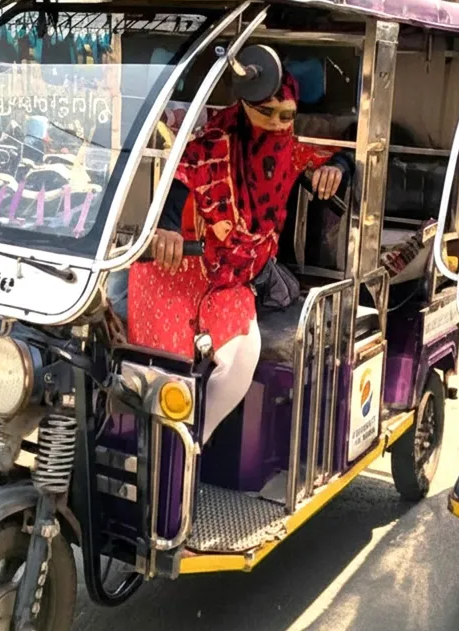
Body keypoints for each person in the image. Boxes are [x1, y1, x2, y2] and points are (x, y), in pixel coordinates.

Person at [115, 72, 349, 443]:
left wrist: (337, 169)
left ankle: (192, 445)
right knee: (159, 375)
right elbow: (181, 178)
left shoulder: (290, 151)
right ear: (243, 107)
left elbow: (339, 158)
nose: (275, 124)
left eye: (286, 116)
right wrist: (168, 227)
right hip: (180, 269)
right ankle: (145, 443)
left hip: (232, 282)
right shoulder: (212, 146)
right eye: (265, 112)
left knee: (243, 355)